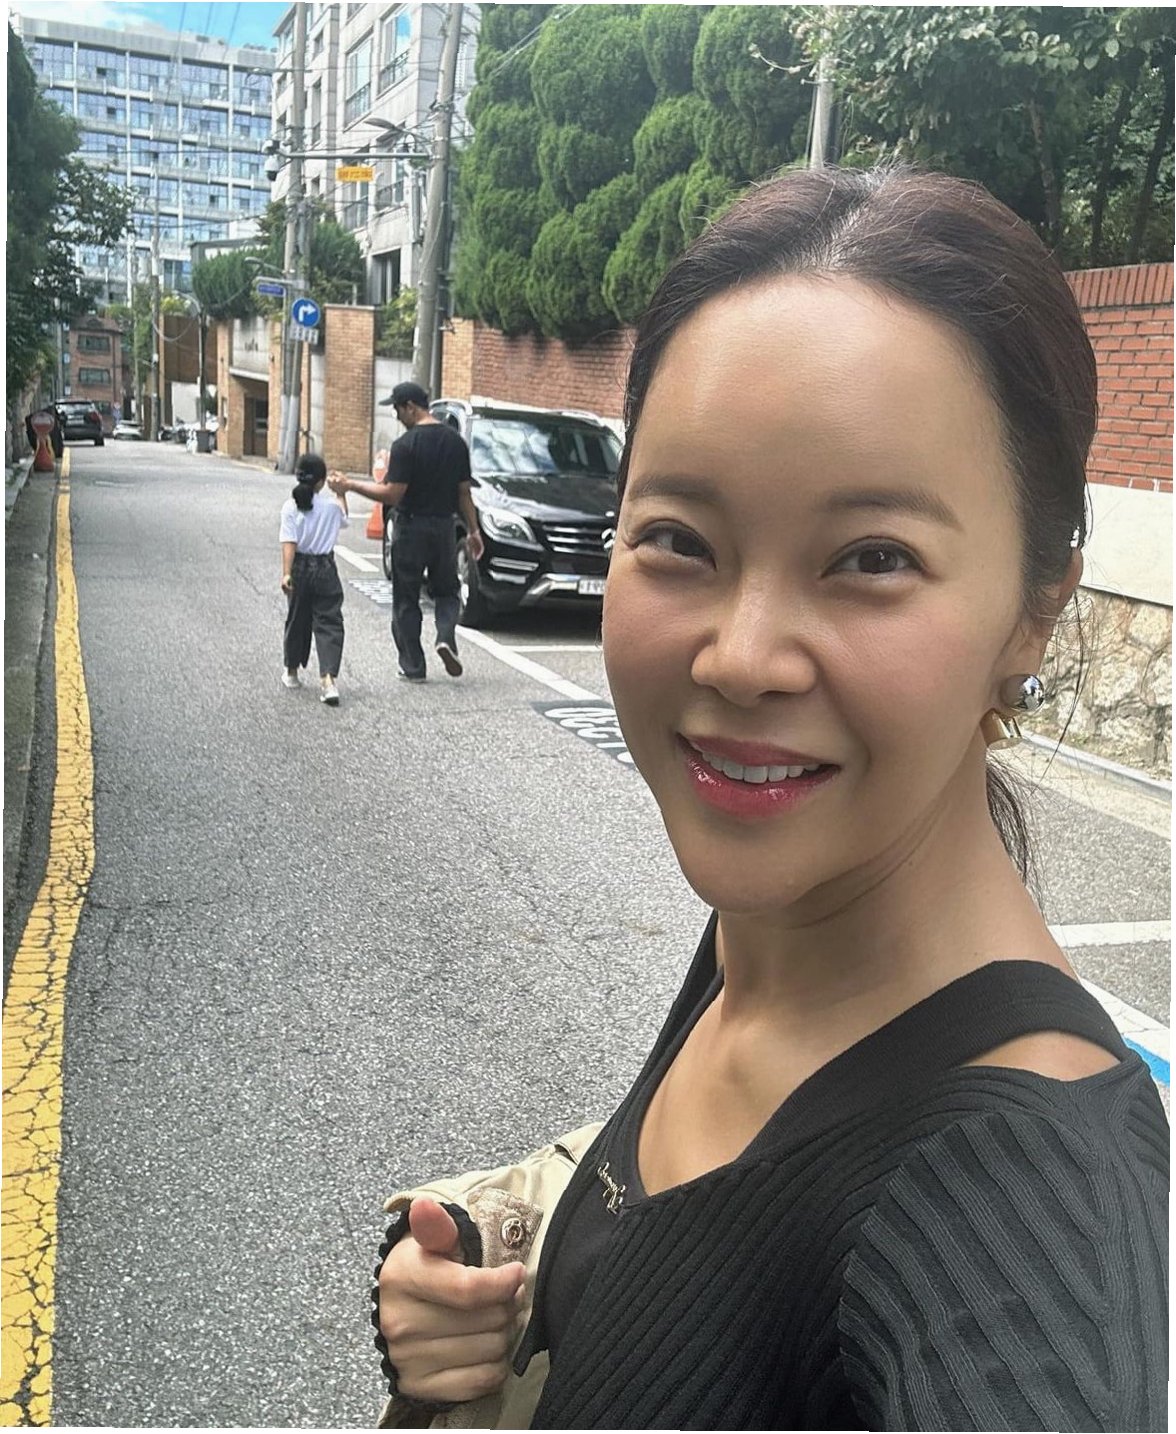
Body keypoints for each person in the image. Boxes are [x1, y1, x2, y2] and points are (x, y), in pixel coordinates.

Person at [369, 166, 1169, 1430]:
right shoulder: (787, 916)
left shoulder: (1017, 1196)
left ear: (1034, 610)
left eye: (872, 559)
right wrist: (485, 1292)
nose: (741, 660)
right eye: (679, 539)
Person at [329, 382, 484, 682]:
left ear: (410, 407)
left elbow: (392, 494)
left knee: (406, 599)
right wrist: (474, 531)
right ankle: (445, 637)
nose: (398, 416)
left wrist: (350, 485)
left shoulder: (405, 445)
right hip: (444, 528)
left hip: (410, 528)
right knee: (448, 591)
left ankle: (413, 667)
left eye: (398, 410)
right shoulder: (456, 443)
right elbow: (464, 493)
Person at [279, 451, 348, 706]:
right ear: (321, 481)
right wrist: (341, 493)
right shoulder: (332, 506)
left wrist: (287, 573)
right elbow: (344, 520)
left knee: (297, 618)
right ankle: (328, 681)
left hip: (300, 567)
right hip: (325, 568)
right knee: (329, 621)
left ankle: (291, 672)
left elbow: (289, 541)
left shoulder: (290, 507)